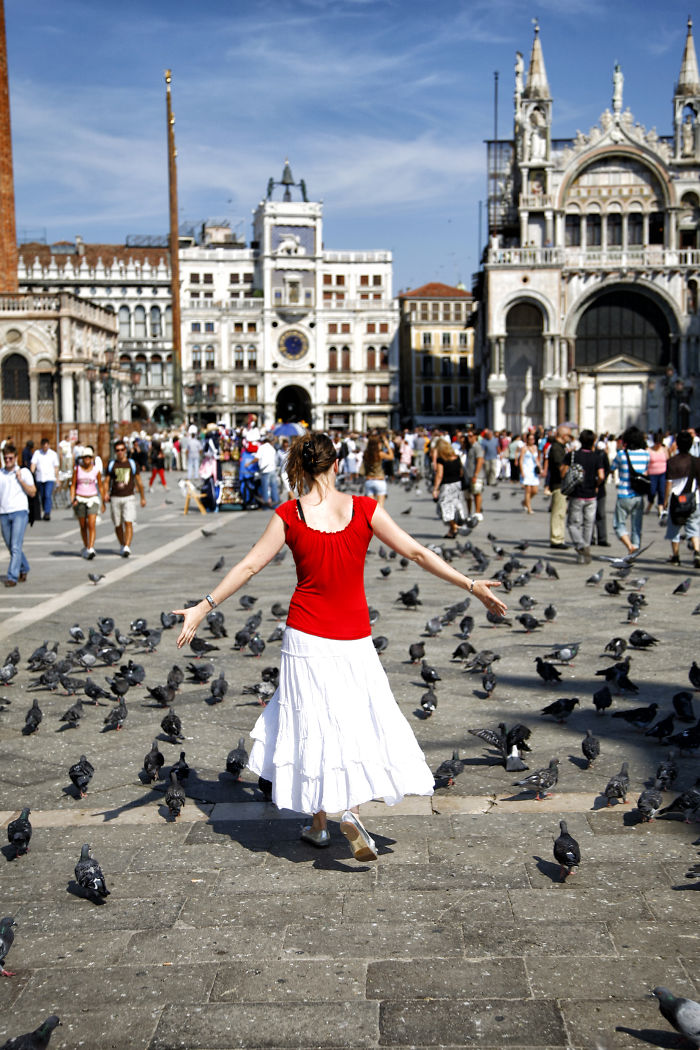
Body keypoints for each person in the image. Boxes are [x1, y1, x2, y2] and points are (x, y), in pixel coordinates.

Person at [174, 432, 506, 860]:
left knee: (312, 724)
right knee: (351, 720)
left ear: (302, 468)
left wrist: (204, 607)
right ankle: (337, 813)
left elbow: (251, 565)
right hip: (353, 637)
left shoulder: (289, 514)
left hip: (304, 636)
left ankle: (323, 823)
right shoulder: (365, 508)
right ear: (336, 465)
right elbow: (418, 553)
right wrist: (472, 584)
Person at [562, 429, 605, 563]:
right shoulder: (597, 457)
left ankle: (580, 545)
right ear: (593, 441)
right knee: (588, 524)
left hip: (577, 494)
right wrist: (596, 484)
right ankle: (585, 550)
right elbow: (602, 476)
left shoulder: (573, 455)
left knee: (573, 524)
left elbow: (563, 472)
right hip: (591, 495)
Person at [662, 430, 700, 567]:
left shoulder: (672, 462)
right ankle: (697, 551)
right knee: (694, 527)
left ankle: (676, 557)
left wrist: (665, 500)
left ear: (677, 444)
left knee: (674, 529)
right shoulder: (696, 461)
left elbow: (669, 484)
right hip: (694, 500)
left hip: (676, 500)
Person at [0, 443, 36, 586]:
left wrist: (20, 480)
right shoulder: (1, 474)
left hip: (19, 512)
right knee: (10, 545)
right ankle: (24, 567)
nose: (8, 461)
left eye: (10, 458)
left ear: (15, 458)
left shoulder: (24, 472)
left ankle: (12, 577)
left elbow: (32, 492)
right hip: (3, 512)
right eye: (5, 458)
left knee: (15, 545)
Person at [103, 440, 146, 557]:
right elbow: (106, 481)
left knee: (128, 522)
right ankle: (122, 544)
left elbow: (139, 481)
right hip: (115, 497)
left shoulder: (132, 464)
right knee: (117, 524)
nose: (120, 452)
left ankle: (127, 546)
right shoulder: (112, 465)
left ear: (125, 450)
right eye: (118, 450)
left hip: (129, 497)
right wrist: (105, 493)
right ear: (115, 452)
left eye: (122, 450)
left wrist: (142, 497)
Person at [611, 425, 650, 554]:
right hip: (638, 495)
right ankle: (635, 546)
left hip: (624, 494)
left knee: (619, 523)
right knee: (636, 525)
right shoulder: (645, 454)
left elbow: (612, 467)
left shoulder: (621, 455)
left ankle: (629, 545)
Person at [70, 447, 103, 559]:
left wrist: (103, 501)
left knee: (91, 524)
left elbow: (100, 485)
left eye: (89, 457)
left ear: (92, 458)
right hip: (80, 498)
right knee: (83, 525)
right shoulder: (77, 469)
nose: (87, 459)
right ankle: (86, 545)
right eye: (85, 457)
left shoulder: (96, 470)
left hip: (92, 498)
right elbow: (73, 484)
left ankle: (90, 547)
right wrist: (72, 498)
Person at [432, 439, 467, 539]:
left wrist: (435, 488)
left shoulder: (441, 460)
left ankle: (454, 527)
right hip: (457, 485)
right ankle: (451, 531)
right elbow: (461, 472)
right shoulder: (456, 458)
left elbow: (439, 475)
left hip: (446, 486)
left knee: (445, 508)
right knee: (454, 507)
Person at [548, 424, 572, 548]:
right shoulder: (556, 448)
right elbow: (560, 468)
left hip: (562, 484)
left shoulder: (561, 447)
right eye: (570, 435)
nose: (571, 438)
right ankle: (556, 539)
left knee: (561, 512)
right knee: (558, 512)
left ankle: (559, 537)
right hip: (558, 484)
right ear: (563, 436)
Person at [30, 437, 59, 521]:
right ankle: (45, 509)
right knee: (42, 496)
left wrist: (57, 478)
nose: (45, 448)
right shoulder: (37, 453)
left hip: (49, 478)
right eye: (44, 446)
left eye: (47, 446)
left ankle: (47, 512)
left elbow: (56, 467)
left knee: (47, 495)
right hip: (40, 478)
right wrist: (32, 474)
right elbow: (33, 464)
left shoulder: (53, 454)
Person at [362, 435, 392, 507]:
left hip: (369, 481)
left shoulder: (366, 454)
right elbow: (391, 456)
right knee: (380, 507)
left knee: (370, 507)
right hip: (379, 480)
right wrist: (387, 445)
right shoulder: (380, 454)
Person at [646, 430, 668, 518]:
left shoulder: (665, 449)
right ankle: (650, 504)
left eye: (659, 443)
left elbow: (668, 460)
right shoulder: (649, 450)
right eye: (656, 443)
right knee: (652, 491)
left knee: (662, 491)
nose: (658, 445)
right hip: (652, 474)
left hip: (663, 473)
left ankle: (660, 509)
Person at [253, 434, 279, 508]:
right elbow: (275, 459)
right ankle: (276, 505)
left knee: (265, 487)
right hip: (272, 469)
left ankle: (266, 506)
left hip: (265, 470)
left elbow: (257, 458)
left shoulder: (261, 447)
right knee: (274, 487)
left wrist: (248, 463)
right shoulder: (272, 448)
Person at [464, 431, 484, 520]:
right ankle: (469, 513)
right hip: (468, 474)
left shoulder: (477, 447)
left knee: (476, 493)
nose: (469, 438)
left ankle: (477, 512)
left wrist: (476, 474)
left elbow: (480, 461)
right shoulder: (469, 447)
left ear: (475, 436)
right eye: (468, 436)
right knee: (467, 495)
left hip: (476, 475)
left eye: (471, 436)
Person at [518, 432, 540, 514]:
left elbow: (536, 459)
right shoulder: (524, 448)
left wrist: (540, 467)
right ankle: (529, 508)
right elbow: (521, 460)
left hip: (533, 470)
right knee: (528, 490)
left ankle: (525, 502)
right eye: (530, 439)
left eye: (533, 439)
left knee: (535, 491)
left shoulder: (535, 447)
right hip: (526, 469)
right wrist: (522, 471)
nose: (532, 440)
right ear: (527, 439)